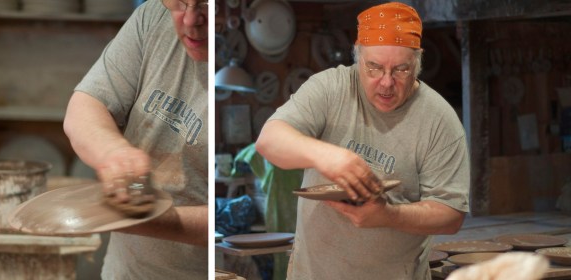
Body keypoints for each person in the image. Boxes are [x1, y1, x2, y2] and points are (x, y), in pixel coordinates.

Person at [255, 2, 469, 279]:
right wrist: (325, 155)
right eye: (374, 68)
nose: (386, 83)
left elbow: (451, 215)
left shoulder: (439, 119)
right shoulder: (330, 88)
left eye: (401, 70)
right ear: (358, 58)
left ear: (417, 62)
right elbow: (269, 140)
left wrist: (389, 215)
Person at [62, 0, 208, 278]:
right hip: (125, 270)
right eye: (179, 2)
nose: (190, 20)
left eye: (205, 5)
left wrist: (146, 217)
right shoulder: (152, 17)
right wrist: (113, 152)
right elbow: (85, 106)